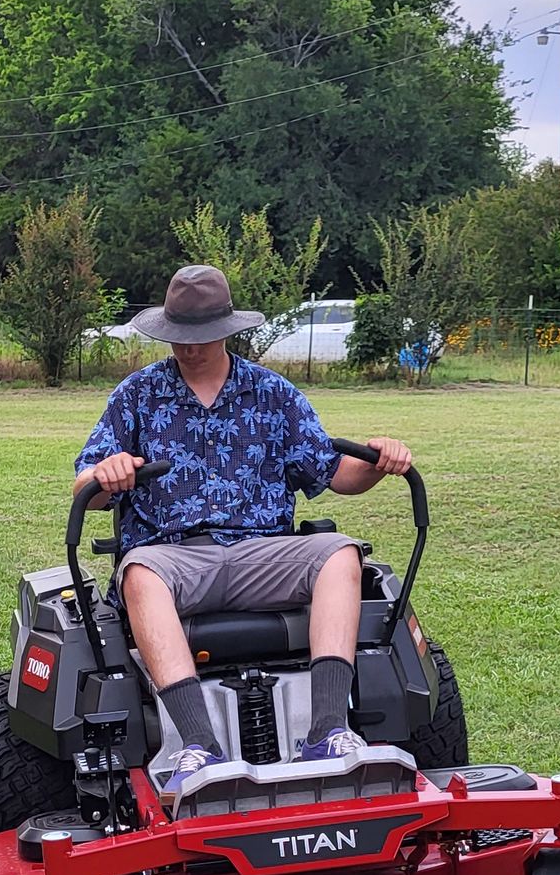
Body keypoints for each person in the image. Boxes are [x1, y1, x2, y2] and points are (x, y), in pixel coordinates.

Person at [74, 262, 413, 805]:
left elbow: (334, 473)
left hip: (263, 550)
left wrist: (379, 462)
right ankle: (198, 747)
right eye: (179, 337)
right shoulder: (137, 395)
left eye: (202, 336)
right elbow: (86, 489)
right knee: (138, 573)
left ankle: (328, 732)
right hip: (171, 554)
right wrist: (104, 473)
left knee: (340, 553)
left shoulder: (272, 393)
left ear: (227, 330)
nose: (190, 348)